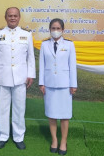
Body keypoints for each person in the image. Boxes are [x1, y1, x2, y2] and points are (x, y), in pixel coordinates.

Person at [0, 7, 36, 150]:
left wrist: (31, 75)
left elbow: (30, 57)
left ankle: (18, 136)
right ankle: (3, 136)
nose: (13, 18)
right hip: (3, 77)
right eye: (10, 16)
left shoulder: (27, 34)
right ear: (5, 17)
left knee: (19, 108)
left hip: (20, 78)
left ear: (19, 17)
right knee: (2, 108)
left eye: (15, 16)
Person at [39, 18, 77, 155]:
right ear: (49, 30)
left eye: (58, 28)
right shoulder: (44, 45)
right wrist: (41, 83)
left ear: (63, 30)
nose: (55, 31)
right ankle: (54, 139)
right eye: (53, 28)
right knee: (52, 114)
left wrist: (73, 84)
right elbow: (42, 65)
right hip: (49, 84)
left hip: (65, 85)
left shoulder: (69, 45)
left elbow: (72, 66)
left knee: (65, 115)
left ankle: (63, 141)